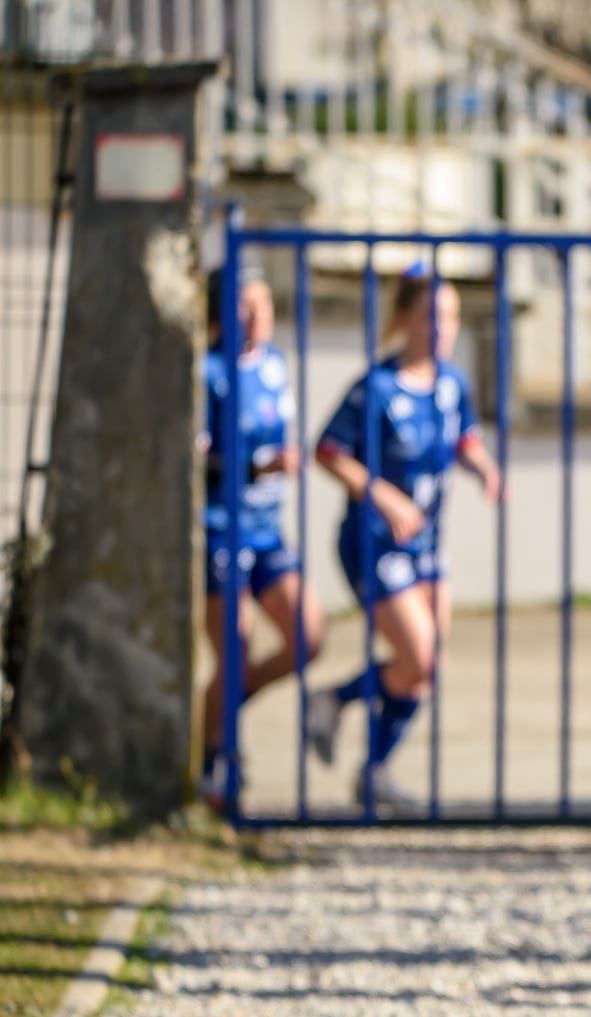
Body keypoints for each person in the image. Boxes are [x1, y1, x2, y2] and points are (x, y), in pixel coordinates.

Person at [306, 267, 503, 811]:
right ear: (403, 321)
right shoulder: (376, 387)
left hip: (427, 546)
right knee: (415, 656)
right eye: (430, 317)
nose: (441, 329)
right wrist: (383, 496)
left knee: (423, 667)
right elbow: (328, 450)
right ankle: (337, 703)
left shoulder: (451, 382)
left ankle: (372, 768)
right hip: (373, 541)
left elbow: (465, 437)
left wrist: (483, 466)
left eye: (450, 318)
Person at [200, 266, 324, 806]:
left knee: (308, 637)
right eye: (243, 305)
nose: (256, 316)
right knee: (233, 648)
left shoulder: (274, 365)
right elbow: (197, 458)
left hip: (269, 532)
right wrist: (258, 468)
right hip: (224, 531)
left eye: (263, 304)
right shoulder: (209, 372)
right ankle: (214, 765)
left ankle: (225, 707)